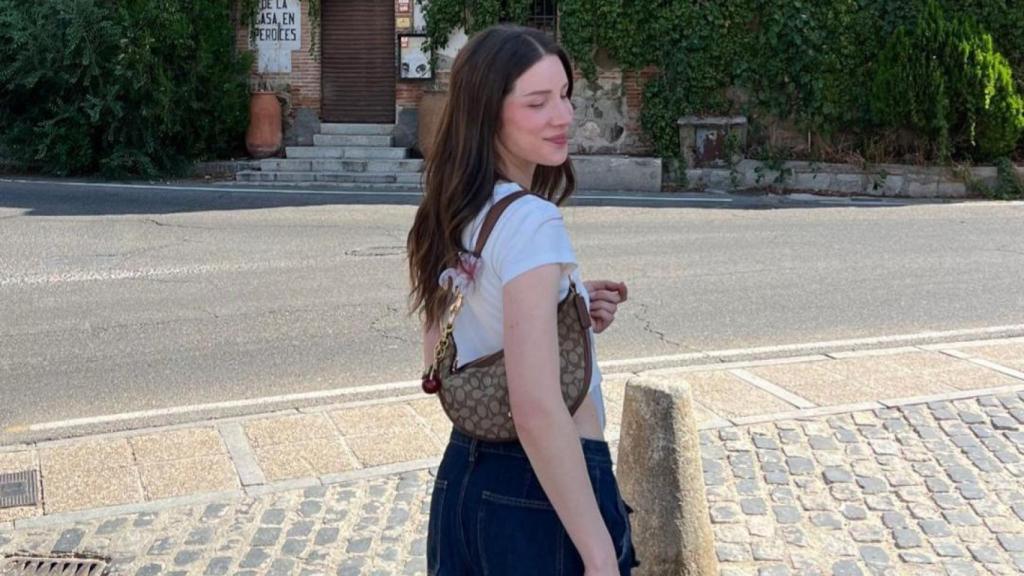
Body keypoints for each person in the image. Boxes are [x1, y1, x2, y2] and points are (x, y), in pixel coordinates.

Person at [406, 24, 636, 576]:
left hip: (463, 478)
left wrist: (570, 308)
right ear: (489, 113)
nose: (562, 117)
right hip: (542, 491)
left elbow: (443, 355)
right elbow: (535, 409)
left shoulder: (449, 211)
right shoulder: (532, 220)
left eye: (564, 96)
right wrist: (601, 554)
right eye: (537, 103)